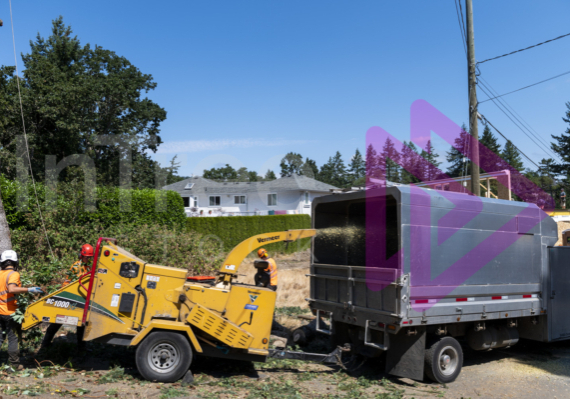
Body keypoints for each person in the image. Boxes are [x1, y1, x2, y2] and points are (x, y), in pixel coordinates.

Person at [41, 244, 93, 352]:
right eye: (86, 257)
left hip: (81, 298)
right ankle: (45, 345)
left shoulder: (88, 266)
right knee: (58, 321)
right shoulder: (76, 267)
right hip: (70, 296)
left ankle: (81, 348)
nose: (88, 259)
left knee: (81, 324)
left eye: (89, 257)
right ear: (81, 255)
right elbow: (71, 283)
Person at [0, 250, 43, 368]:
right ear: (15, 261)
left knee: (1, 336)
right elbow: (12, 289)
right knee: (13, 338)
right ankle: (14, 364)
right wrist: (29, 290)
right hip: (10, 313)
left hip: (0, 311)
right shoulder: (13, 274)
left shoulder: (0, 274)